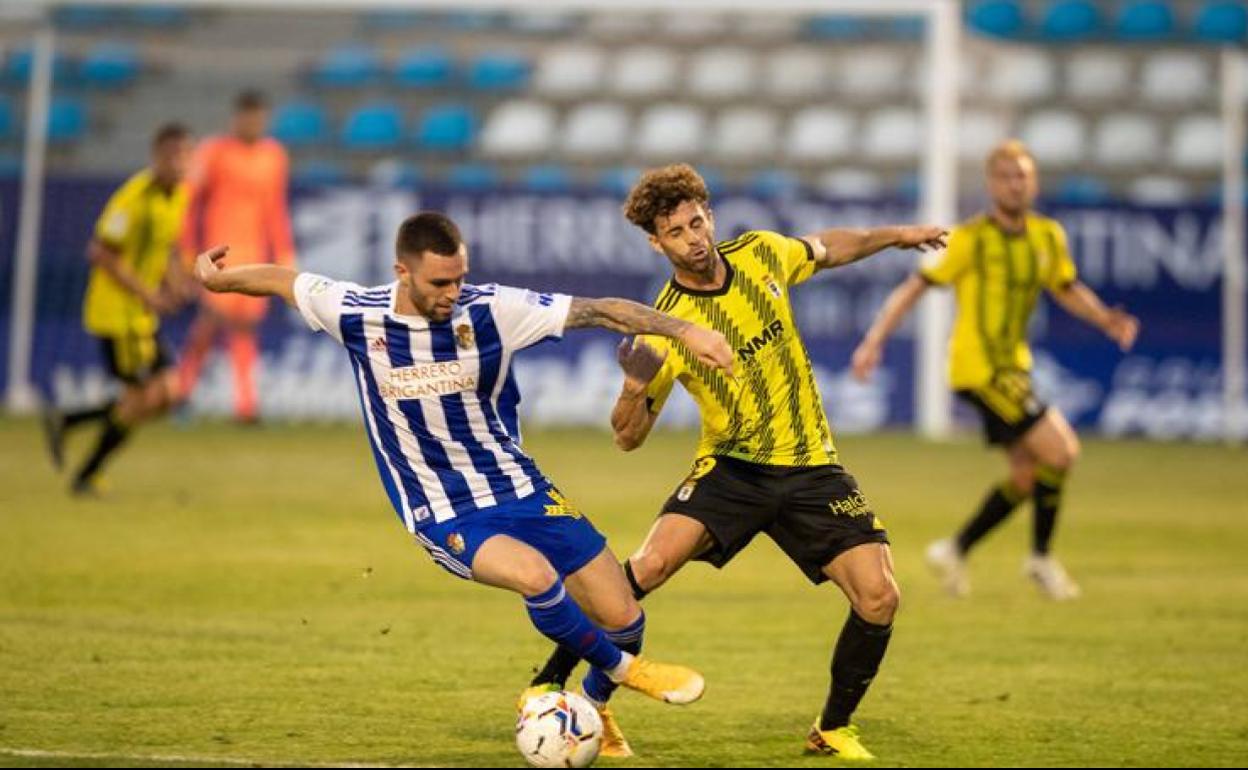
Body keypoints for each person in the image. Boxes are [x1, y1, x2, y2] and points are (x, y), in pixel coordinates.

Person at [190, 211, 736, 722]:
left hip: (521, 488)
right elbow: (286, 280)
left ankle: (588, 715)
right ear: (402, 272)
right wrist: (221, 281)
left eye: (459, 279)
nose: (453, 293)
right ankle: (627, 674)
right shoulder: (357, 311)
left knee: (624, 617)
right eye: (439, 284)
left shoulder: (492, 309)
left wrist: (685, 332)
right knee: (537, 578)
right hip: (443, 509)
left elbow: (599, 309)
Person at [523, 163, 948, 760]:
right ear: (657, 243)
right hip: (732, 469)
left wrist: (898, 235)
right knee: (649, 565)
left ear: (710, 216)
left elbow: (830, 248)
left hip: (811, 466)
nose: (693, 238)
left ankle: (832, 727)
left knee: (880, 596)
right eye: (676, 232)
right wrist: (631, 388)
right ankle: (551, 680)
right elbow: (626, 438)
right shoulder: (665, 326)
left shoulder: (761, 255)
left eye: (697, 222)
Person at [851, 139, 1139, 601]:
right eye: (1006, 176)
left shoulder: (1048, 237)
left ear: (1034, 181)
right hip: (978, 369)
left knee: (1027, 477)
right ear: (991, 185)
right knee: (1062, 451)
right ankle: (1041, 558)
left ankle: (955, 549)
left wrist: (1105, 318)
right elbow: (916, 286)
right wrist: (874, 340)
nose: (1015, 184)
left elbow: (1065, 288)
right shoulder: (971, 239)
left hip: (1015, 369)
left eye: (1022, 175)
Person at [43, 122, 195, 495]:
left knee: (167, 395)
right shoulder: (134, 197)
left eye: (184, 155)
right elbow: (100, 252)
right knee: (145, 398)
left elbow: (168, 246)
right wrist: (149, 294)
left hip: (142, 314)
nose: (178, 163)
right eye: (171, 155)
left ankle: (70, 420)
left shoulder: (177, 195)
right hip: (117, 315)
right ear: (156, 156)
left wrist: (175, 284)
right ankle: (86, 476)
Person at [178, 89, 296, 422]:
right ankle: (183, 391)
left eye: (259, 118)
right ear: (236, 118)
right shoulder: (213, 152)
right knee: (210, 323)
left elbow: (276, 211)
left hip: (255, 253)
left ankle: (245, 406)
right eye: (248, 117)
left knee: (245, 328)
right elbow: (189, 202)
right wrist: (188, 250)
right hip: (220, 252)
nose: (253, 124)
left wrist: (284, 253)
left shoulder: (274, 156)